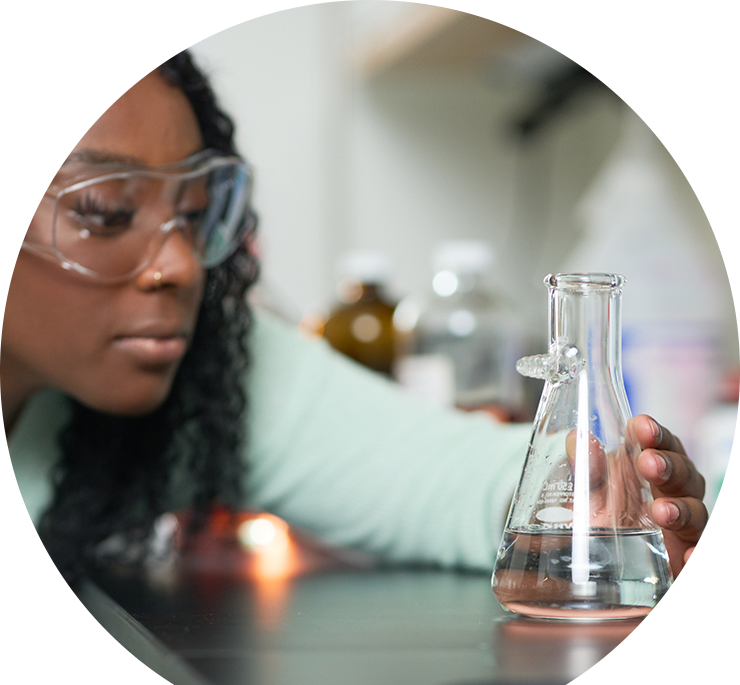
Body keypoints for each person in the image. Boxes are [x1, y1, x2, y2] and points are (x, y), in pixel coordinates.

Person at [0, 51, 707, 587]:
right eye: (105, 211)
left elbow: (444, 476)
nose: (181, 266)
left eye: (192, 215)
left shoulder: (206, 371)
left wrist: (593, 492)